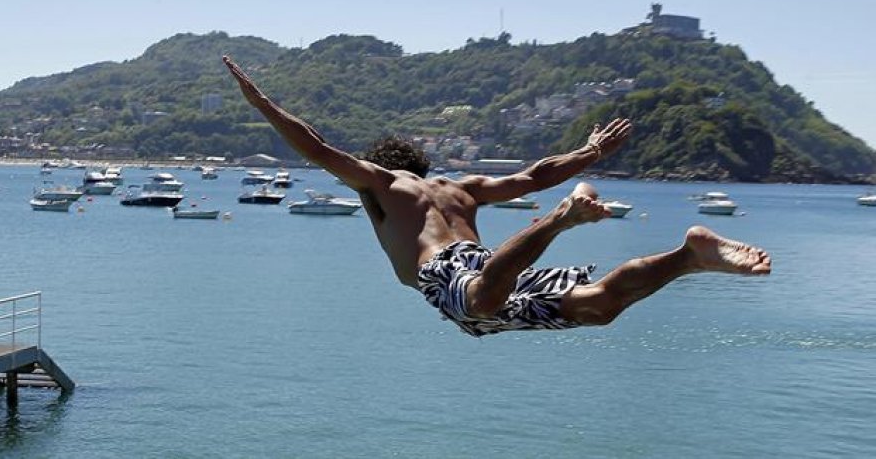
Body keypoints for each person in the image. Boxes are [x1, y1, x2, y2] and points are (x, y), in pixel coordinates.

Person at [223, 55, 771, 337]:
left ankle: (561, 222)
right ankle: (688, 255)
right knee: (599, 308)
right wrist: (590, 154)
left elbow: (316, 147)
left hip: (459, 276)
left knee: (484, 300)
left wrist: (261, 104)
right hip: (491, 265)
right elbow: (534, 175)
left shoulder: (383, 185)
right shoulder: (462, 189)